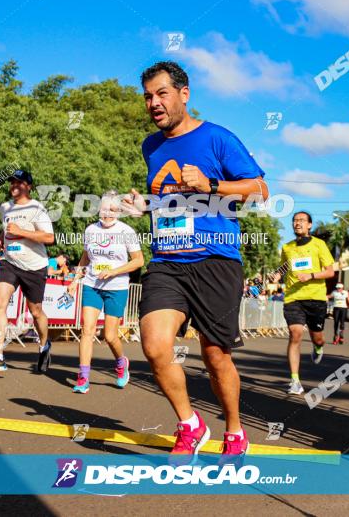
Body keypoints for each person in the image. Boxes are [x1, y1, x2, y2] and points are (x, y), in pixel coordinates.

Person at [123, 61, 268, 462]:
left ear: (184, 95)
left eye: (162, 93)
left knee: (215, 354)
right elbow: (170, 198)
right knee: (153, 346)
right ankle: (190, 424)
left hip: (216, 260)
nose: (154, 103)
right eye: (148, 96)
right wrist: (145, 205)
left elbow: (260, 190)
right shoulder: (150, 146)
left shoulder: (218, 138)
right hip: (168, 259)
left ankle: (235, 431)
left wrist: (212, 184)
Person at [0, 169, 54, 374]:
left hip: (35, 266)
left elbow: (49, 238)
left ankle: (44, 345)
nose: (14, 186)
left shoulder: (37, 209)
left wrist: (22, 232)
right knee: (0, 303)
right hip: (10, 263)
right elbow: (6, 229)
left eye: (19, 183)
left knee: (36, 311)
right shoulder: (5, 207)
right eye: (12, 182)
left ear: (28, 186)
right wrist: (0, 242)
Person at [66, 191, 143, 393]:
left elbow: (138, 261)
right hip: (92, 284)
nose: (108, 213)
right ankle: (83, 377)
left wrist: (114, 271)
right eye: (104, 209)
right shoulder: (91, 229)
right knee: (87, 330)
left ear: (119, 212)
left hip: (116, 287)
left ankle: (121, 363)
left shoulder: (126, 231)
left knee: (109, 336)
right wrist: (75, 279)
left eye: (113, 209)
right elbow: (85, 258)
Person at [280, 211, 335, 396]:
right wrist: (276, 274)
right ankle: (295, 381)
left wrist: (310, 275)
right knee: (295, 333)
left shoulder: (319, 245)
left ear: (309, 225)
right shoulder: (287, 247)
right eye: (295, 221)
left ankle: (318, 346)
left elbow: (330, 272)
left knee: (317, 336)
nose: (297, 223)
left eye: (302, 221)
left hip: (316, 298)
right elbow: (284, 267)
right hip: (293, 297)